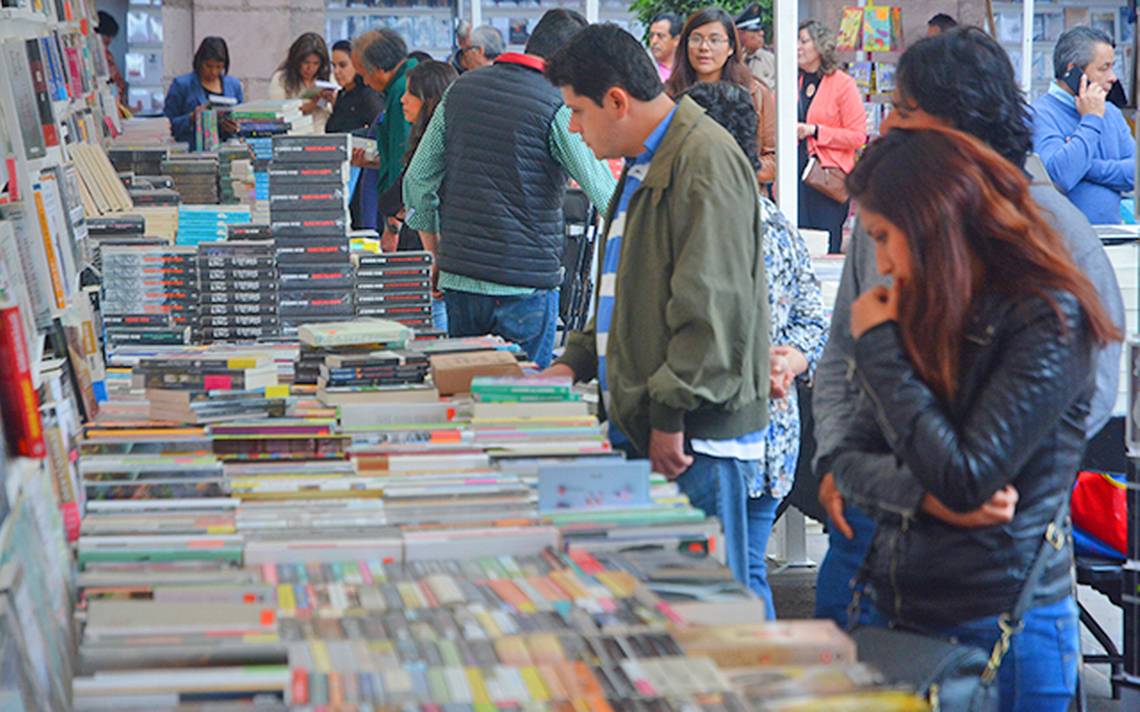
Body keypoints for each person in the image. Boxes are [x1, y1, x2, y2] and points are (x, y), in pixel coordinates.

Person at [812, 26, 1125, 630]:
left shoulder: (1053, 235)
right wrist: (846, 468)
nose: (889, 128)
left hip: (1001, 558)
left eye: (904, 112)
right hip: (874, 529)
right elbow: (842, 357)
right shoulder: (891, 212)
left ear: (958, 128)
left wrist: (984, 473)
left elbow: (1051, 422)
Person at [825, 126, 1119, 712]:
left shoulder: (1047, 317)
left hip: (1004, 617)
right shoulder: (919, 303)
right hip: (901, 605)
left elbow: (967, 476)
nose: (880, 263)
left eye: (885, 238)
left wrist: (880, 350)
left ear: (934, 222)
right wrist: (921, 495)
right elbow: (848, 463)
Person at [544, 24, 771, 596]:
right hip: (653, 423)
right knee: (660, 604)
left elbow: (711, 308)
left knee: (703, 610)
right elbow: (626, 284)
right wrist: (571, 362)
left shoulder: (704, 160)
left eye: (577, 111)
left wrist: (670, 417)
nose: (573, 127)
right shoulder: (646, 159)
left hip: (688, 438)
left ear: (617, 101)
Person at [681, 80, 827, 615]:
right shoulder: (752, 218)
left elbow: (813, 318)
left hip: (748, 433)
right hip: (758, 432)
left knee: (734, 579)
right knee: (739, 573)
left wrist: (794, 356)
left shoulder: (750, 221)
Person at [402, 10, 615, 368]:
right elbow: (605, 193)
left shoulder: (459, 89)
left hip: (462, 278)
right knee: (525, 410)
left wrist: (436, 253)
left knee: (466, 398)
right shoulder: (558, 107)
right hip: (525, 285)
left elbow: (418, 179)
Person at [376, 61, 458, 331]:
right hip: (428, 261)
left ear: (430, 100)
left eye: (410, 93)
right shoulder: (446, 142)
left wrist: (404, 210)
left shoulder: (432, 150)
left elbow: (392, 199)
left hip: (429, 267)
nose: (402, 99)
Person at [1032, 26, 1135, 225]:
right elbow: (1061, 176)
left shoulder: (1111, 112)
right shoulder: (1039, 114)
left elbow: (1135, 173)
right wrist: (1091, 119)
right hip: (1064, 243)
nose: (1113, 77)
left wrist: (1088, 166)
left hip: (1113, 237)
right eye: (1104, 68)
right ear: (1074, 71)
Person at [666, 8, 776, 188]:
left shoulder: (755, 93)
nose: (704, 47)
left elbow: (773, 158)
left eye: (715, 40)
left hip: (740, 197)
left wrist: (736, 168)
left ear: (731, 47)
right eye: (696, 39)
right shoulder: (669, 95)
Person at [797, 20, 866, 253]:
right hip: (793, 176)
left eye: (803, 41)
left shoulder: (842, 84)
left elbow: (858, 136)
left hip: (826, 179)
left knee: (825, 250)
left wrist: (815, 131)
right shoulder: (791, 82)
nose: (796, 46)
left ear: (820, 46)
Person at [353, 29, 418, 204]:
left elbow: (401, 153)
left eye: (364, 75)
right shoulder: (411, 75)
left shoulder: (401, 92)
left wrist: (393, 215)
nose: (366, 82)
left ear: (378, 69)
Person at [164, 37, 244, 149]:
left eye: (219, 67)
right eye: (209, 66)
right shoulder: (182, 85)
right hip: (190, 152)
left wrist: (235, 127)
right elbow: (167, 125)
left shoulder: (234, 86)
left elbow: (243, 124)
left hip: (225, 150)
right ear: (200, 62)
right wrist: (191, 118)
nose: (213, 72)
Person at [269, 32, 333, 134]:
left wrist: (330, 100)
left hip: (321, 135)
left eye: (316, 63)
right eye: (306, 62)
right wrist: (312, 104)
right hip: (293, 137)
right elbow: (278, 115)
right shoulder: (281, 79)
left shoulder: (327, 79)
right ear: (297, 60)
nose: (310, 68)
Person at [325, 40, 383, 134]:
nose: (336, 71)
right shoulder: (342, 94)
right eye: (334, 66)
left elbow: (380, 130)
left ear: (356, 64)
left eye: (342, 65)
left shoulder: (368, 95)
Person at [736, 4, 776, 90]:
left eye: (761, 29)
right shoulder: (729, 61)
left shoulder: (770, 60)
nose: (761, 33)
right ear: (740, 33)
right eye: (755, 30)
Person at [95, 11, 128, 105]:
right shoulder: (103, 56)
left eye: (111, 36)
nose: (109, 40)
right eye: (107, 35)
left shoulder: (108, 55)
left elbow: (117, 82)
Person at [647, 12, 682, 81]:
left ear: (676, 40)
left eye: (660, 36)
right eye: (651, 36)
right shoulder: (642, 67)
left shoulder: (688, 69)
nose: (654, 41)